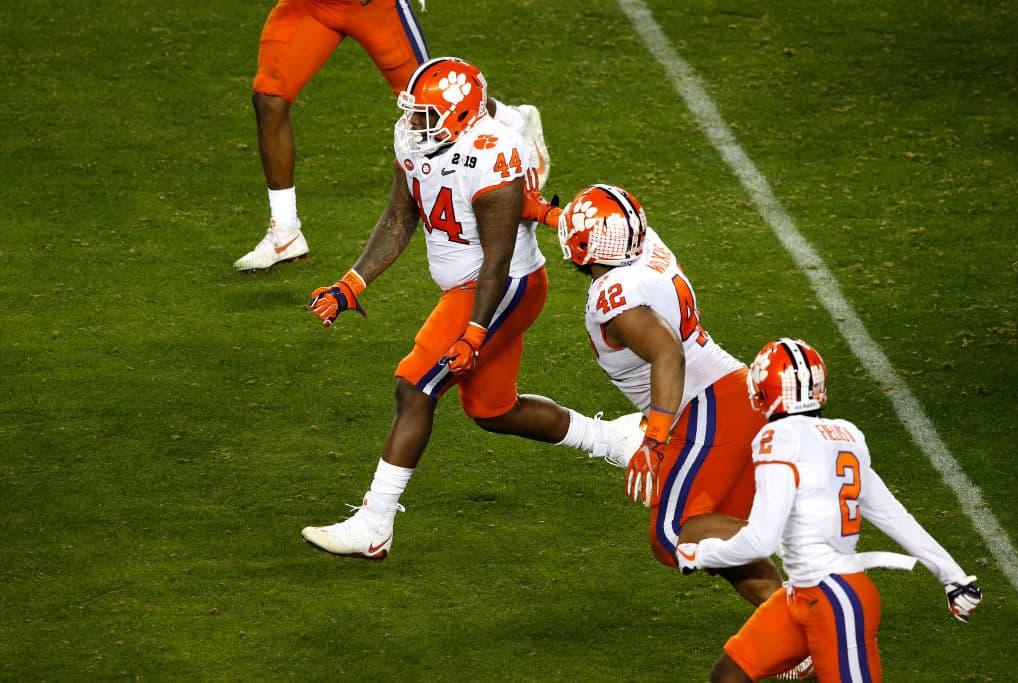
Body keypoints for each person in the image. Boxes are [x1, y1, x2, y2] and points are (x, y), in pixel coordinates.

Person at [300, 57, 642, 559]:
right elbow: (399, 216)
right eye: (413, 113)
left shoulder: (491, 155)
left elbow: (497, 260)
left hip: (501, 288)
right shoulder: (418, 140)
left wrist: (475, 333)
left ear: (460, 118)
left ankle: (374, 525)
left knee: (414, 385)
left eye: (425, 116)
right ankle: (613, 440)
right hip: (470, 286)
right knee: (492, 409)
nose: (413, 124)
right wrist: (352, 284)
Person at [525, 184, 784, 607]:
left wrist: (653, 440)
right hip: (732, 397)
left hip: (708, 407)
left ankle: (810, 577)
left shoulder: (614, 295)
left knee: (674, 533)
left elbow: (667, 353)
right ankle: (797, 633)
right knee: (712, 535)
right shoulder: (642, 244)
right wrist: (545, 214)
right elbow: (605, 230)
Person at [675, 337, 983, 683]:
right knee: (728, 675)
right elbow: (893, 515)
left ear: (766, 388)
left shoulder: (777, 437)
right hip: (802, 596)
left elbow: (761, 541)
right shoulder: (845, 435)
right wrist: (952, 576)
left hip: (837, 601)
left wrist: (703, 554)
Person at [234, 0, 551, 272]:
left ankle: (515, 120)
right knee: (269, 97)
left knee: (434, 100)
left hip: (372, 6)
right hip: (312, 6)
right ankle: (285, 229)